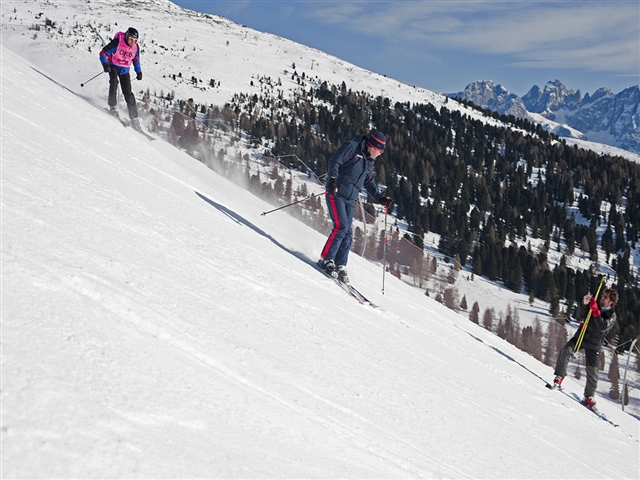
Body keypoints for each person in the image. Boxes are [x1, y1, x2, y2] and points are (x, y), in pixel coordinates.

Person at [317, 131, 392, 284]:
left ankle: (340, 264)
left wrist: (379, 198)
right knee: (341, 227)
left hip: (350, 199)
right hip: (336, 193)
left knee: (348, 233)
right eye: (380, 151)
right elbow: (335, 161)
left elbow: (369, 182)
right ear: (373, 146)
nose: (380, 154)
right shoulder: (352, 147)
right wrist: (332, 179)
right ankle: (326, 259)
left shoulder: (369, 160)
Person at [551, 287, 618, 408]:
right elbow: (580, 315)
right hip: (582, 336)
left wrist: (596, 312)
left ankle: (589, 396)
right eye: (603, 295)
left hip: (595, 344)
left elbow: (602, 327)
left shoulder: (612, 315)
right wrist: (584, 304)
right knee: (566, 350)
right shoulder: (595, 303)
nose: (602, 298)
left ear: (611, 302)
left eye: (605, 297)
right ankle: (559, 376)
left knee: (593, 371)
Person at [99, 27, 143, 130]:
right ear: (127, 36)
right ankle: (113, 106)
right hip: (113, 65)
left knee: (128, 92)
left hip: (125, 70)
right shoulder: (118, 42)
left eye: (135, 40)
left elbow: (136, 60)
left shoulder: (135, 47)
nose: (133, 42)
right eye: (131, 39)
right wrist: (105, 64)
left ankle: (134, 118)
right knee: (114, 81)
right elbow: (103, 53)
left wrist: (138, 71)